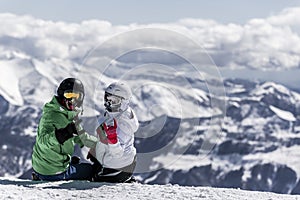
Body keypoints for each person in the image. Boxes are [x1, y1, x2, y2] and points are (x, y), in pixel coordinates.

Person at [31, 78, 98, 181]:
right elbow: (42, 141)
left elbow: (83, 137)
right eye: (69, 95)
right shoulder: (51, 115)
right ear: (62, 95)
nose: (73, 100)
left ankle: (50, 172)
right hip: (53, 172)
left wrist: (100, 145)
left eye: (77, 97)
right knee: (93, 170)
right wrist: (62, 134)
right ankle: (52, 176)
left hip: (45, 166)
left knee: (76, 161)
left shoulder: (70, 115)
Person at [87, 82, 139, 183]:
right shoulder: (119, 113)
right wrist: (96, 148)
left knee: (85, 175)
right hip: (121, 163)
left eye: (114, 101)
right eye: (107, 99)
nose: (109, 104)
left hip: (115, 167)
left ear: (124, 102)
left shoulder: (122, 124)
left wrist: (113, 140)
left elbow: (118, 153)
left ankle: (121, 177)